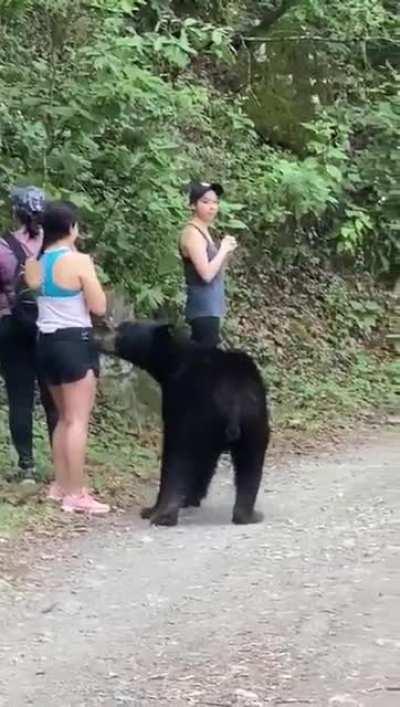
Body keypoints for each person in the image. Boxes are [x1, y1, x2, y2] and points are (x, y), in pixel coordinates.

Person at [25, 200, 110, 514]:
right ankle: (76, 493)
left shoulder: (35, 262)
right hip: (74, 342)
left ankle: (61, 485)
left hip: (45, 342)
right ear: (71, 227)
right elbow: (99, 306)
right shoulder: (79, 261)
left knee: (63, 417)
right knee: (77, 420)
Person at [0, 186, 58, 483]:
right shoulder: (55, 247)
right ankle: (63, 464)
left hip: (12, 327)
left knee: (20, 397)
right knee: (54, 397)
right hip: (50, 326)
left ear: (15, 212)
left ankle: (26, 466)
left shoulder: (3, 247)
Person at [179, 181, 237, 347]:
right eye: (205, 202)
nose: (212, 207)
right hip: (202, 309)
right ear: (193, 205)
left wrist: (226, 252)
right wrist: (223, 249)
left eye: (215, 202)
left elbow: (217, 270)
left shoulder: (204, 231)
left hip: (211, 308)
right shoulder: (192, 234)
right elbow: (206, 274)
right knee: (204, 364)